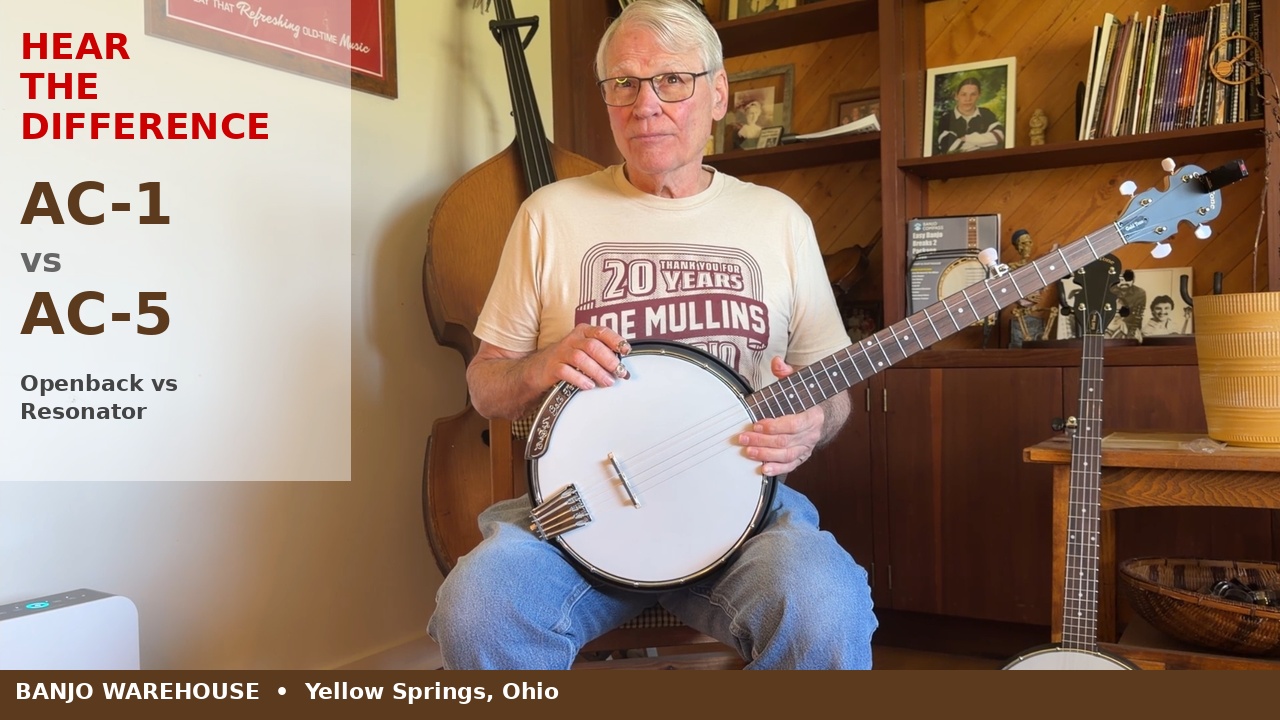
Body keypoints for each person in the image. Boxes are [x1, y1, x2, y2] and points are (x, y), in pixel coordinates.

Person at [427, 0, 876, 670]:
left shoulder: (778, 220)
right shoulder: (548, 214)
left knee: (825, 604)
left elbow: (830, 387)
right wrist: (543, 364)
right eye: (625, 83)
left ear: (718, 94)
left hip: (744, 523)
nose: (646, 105)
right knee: (477, 606)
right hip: (578, 516)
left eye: (672, 80)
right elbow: (486, 386)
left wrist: (815, 422)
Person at [934, 76, 1004, 155]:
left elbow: (999, 136)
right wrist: (986, 144)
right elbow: (949, 146)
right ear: (956, 96)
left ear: (979, 95)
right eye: (963, 94)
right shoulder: (947, 118)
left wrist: (965, 139)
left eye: (973, 94)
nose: (968, 99)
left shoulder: (986, 113)